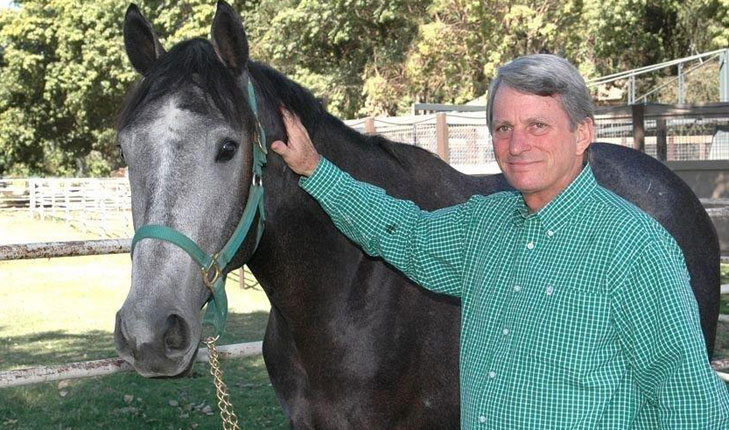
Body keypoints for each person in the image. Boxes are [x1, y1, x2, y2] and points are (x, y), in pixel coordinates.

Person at [270, 54, 729, 428]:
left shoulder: (634, 247)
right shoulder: (484, 225)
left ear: (583, 133)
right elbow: (403, 232)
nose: (516, 144)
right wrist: (315, 169)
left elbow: (690, 406)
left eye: (538, 126)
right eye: (504, 128)